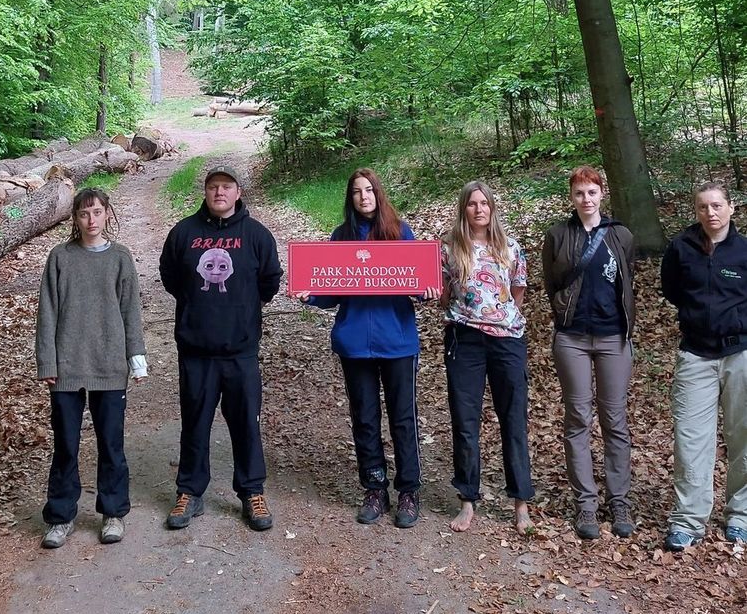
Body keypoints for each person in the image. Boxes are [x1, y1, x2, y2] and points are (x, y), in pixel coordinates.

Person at [290, 169, 439, 528]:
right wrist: (310, 295)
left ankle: (409, 491)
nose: (363, 197)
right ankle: (374, 488)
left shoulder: (400, 233)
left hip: (397, 341)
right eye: (357, 191)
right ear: (350, 198)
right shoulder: (340, 237)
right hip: (355, 343)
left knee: (403, 418)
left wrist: (428, 290)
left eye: (369, 190)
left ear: (378, 193)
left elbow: (417, 281)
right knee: (365, 418)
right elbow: (331, 290)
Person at [159, 164, 283, 531]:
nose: (219, 192)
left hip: (240, 350)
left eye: (227, 186)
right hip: (196, 350)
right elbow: (170, 277)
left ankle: (252, 491)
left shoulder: (256, 235)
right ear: (206, 191)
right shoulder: (183, 233)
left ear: (238, 192)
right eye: (213, 186)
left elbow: (270, 281)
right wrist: (198, 307)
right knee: (195, 424)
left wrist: (241, 309)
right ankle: (190, 491)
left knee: (246, 424)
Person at [35, 188, 147, 549]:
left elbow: (131, 311)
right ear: (75, 218)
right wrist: (47, 361)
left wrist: (136, 356)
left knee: (111, 443)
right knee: (66, 444)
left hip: (108, 363)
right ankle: (60, 516)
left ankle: (113, 512)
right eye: (84, 214)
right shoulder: (60, 257)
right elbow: (47, 312)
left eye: (97, 212)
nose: (91, 220)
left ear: (107, 213)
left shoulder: (120, 258)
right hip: (67, 366)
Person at [541, 166, 636, 540]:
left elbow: (627, 279)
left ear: (602, 194)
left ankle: (619, 501)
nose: (586, 199)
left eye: (592, 192)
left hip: (613, 338)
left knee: (615, 420)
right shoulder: (558, 235)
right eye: (579, 193)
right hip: (572, 339)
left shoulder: (620, 235)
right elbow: (551, 283)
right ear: (572, 196)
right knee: (578, 418)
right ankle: (586, 505)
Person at [439, 180, 534, 534]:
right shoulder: (449, 249)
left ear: (492, 207)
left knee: (513, 419)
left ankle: (521, 503)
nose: (479, 209)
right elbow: (443, 295)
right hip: (464, 339)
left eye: (484, 203)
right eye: (472, 204)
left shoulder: (510, 247)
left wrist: (499, 318)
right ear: (463, 209)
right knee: (465, 420)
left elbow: (517, 291)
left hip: (507, 340)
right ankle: (467, 499)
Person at [660, 182, 747, 551]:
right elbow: (672, 290)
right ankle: (688, 520)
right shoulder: (681, 248)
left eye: (716, 205)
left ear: (731, 208)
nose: (710, 213)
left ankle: (740, 516)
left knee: (743, 436)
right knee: (691, 438)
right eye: (703, 207)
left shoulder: (743, 250)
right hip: (696, 355)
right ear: (695, 211)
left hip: (740, 354)